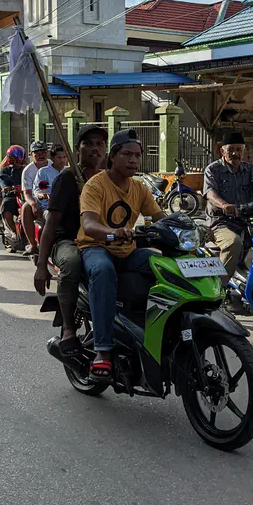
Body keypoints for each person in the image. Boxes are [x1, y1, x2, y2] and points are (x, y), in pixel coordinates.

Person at [77, 129, 165, 379]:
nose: (133, 161)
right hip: (96, 248)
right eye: (127, 154)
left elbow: (159, 218)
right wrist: (114, 232)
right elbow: (90, 226)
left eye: (137, 156)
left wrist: (181, 227)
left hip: (128, 252)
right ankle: (102, 350)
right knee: (103, 271)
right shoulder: (95, 185)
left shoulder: (140, 188)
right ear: (112, 156)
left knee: (163, 264)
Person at [34, 125, 108, 355]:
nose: (95, 149)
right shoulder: (67, 178)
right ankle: (68, 327)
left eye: (100, 144)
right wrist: (41, 265)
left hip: (100, 239)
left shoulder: (109, 178)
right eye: (89, 144)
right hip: (68, 239)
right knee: (72, 262)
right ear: (77, 150)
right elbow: (52, 222)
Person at [203, 130, 253, 284]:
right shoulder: (213, 170)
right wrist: (224, 205)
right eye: (231, 149)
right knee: (233, 243)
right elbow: (209, 193)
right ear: (222, 150)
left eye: (239, 149)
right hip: (220, 223)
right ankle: (219, 289)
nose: (235, 153)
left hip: (245, 221)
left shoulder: (248, 170)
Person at [21, 141, 51, 256]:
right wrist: (33, 204)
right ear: (31, 155)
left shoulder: (53, 165)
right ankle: (32, 244)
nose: (40, 156)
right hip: (36, 201)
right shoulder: (28, 170)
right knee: (26, 208)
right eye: (37, 153)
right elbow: (27, 193)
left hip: (52, 200)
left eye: (43, 152)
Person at [0, 145, 27, 251]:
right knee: (6, 206)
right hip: (11, 196)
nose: (18, 161)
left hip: (25, 197)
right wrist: (8, 188)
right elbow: (3, 183)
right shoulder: (5, 171)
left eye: (20, 158)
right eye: (15, 159)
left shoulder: (26, 170)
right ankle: (13, 232)